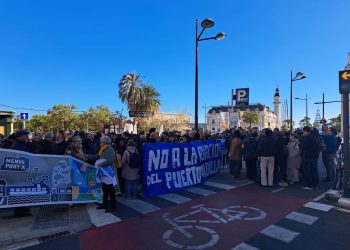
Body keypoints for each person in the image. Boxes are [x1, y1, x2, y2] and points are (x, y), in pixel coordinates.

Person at [82, 135, 117, 212]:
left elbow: (109, 161)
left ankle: (112, 206)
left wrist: (100, 165)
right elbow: (97, 157)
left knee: (110, 191)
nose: (99, 143)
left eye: (101, 141)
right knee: (104, 190)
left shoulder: (110, 149)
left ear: (104, 142)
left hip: (109, 173)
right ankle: (104, 204)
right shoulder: (103, 149)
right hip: (104, 173)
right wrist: (86, 156)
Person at [10, 129, 31, 217]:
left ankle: (22, 209)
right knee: (19, 191)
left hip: (21, 172)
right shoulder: (18, 146)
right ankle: (19, 211)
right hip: (19, 173)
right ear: (21, 136)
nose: (27, 137)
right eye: (26, 135)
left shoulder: (20, 144)